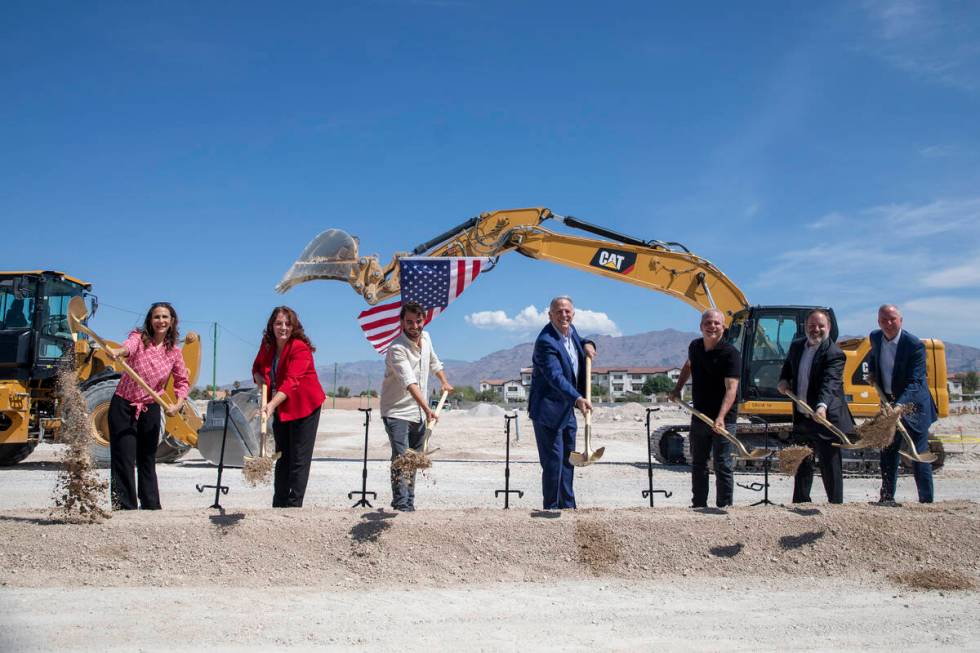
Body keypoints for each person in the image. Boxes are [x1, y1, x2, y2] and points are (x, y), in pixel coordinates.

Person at [106, 302, 190, 510]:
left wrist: (177, 405)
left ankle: (151, 506)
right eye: (156, 317)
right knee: (124, 458)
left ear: (172, 322)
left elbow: (182, 382)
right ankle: (124, 507)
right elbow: (128, 347)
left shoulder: (174, 353)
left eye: (165, 317)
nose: (161, 321)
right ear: (150, 321)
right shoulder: (139, 339)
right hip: (124, 405)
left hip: (150, 408)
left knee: (147, 458)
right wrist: (119, 351)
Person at [379, 301, 453, 512]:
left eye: (418, 321)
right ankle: (402, 504)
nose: (414, 326)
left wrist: (444, 381)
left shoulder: (427, 338)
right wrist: (428, 409)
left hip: (418, 413)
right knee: (403, 458)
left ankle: (408, 502)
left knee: (414, 459)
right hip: (397, 411)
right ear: (402, 322)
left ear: (424, 321)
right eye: (409, 322)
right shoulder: (396, 349)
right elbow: (409, 382)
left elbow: (434, 362)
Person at [777, 309, 854, 504]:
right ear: (806, 327)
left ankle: (836, 505)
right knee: (802, 462)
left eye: (821, 326)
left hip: (825, 418)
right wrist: (784, 380)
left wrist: (821, 406)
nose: (816, 329)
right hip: (803, 416)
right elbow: (788, 365)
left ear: (828, 327)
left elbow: (830, 382)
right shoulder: (796, 346)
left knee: (830, 465)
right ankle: (801, 503)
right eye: (812, 325)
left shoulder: (834, 353)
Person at [252, 306, 325, 508]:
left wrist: (271, 404)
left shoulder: (299, 347)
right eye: (278, 323)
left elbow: (292, 381)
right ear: (271, 326)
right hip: (282, 406)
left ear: (294, 326)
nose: (283, 327)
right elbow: (257, 367)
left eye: (287, 323)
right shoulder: (267, 345)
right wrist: (260, 381)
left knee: (299, 458)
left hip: (304, 406)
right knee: (282, 455)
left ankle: (294, 505)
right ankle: (279, 502)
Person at [528, 296, 596, 510]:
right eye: (558, 312)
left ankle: (568, 506)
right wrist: (577, 398)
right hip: (548, 412)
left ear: (573, 314)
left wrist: (589, 344)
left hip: (567, 411)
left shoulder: (571, 331)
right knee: (553, 463)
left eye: (567, 311)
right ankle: (552, 507)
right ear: (550, 316)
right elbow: (555, 376)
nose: (563, 315)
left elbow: (580, 340)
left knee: (569, 461)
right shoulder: (546, 341)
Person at [669, 308, 740, 509]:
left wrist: (721, 417)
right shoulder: (695, 346)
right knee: (698, 463)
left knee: (722, 463)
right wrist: (677, 389)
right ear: (701, 327)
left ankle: (724, 508)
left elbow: (731, 389)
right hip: (700, 414)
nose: (712, 326)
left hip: (724, 419)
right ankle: (699, 505)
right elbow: (688, 366)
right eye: (708, 323)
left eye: (716, 323)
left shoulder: (730, 354)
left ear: (723, 328)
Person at [868, 304, 937, 504]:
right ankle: (887, 498)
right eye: (883, 320)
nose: (888, 324)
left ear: (901, 320)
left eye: (892, 319)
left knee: (918, 452)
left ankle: (926, 501)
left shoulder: (914, 345)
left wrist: (899, 406)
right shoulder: (875, 337)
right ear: (878, 322)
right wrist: (872, 372)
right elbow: (874, 356)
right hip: (888, 402)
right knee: (888, 451)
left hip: (914, 406)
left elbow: (916, 382)